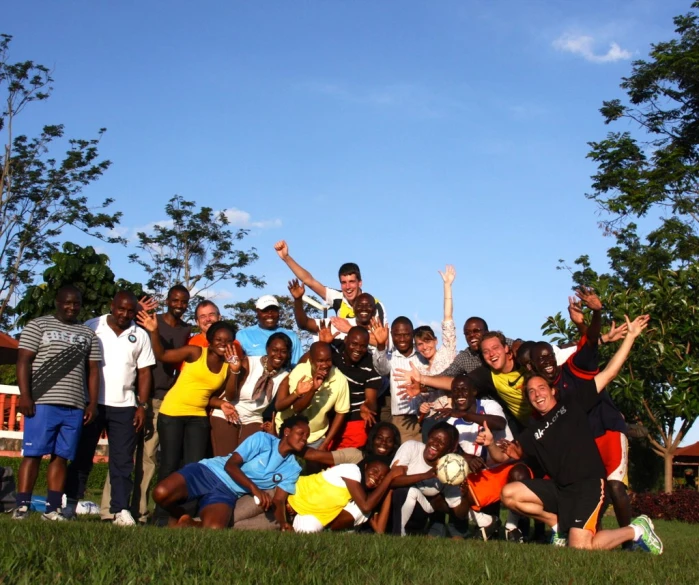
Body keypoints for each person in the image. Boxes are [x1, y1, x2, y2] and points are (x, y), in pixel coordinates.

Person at [482, 315, 663, 553]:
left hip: (588, 488)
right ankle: (558, 526)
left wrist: (629, 337)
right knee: (509, 494)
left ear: (553, 391)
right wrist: (491, 443)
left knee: (580, 549)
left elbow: (609, 373)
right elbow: (505, 456)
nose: (537, 394)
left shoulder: (572, 405)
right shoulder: (532, 430)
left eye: (541, 389)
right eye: (531, 392)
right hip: (560, 490)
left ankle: (637, 529)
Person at [137, 311, 241, 522]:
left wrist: (235, 370)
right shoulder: (195, 352)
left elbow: (229, 394)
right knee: (169, 463)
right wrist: (154, 331)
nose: (223, 344)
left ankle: (187, 514)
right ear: (210, 340)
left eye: (228, 341)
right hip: (172, 412)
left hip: (197, 417)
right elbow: (163, 355)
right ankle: (162, 516)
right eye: (218, 340)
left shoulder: (228, 366)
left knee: (194, 467)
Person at [64, 291, 155, 526]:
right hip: (90, 404)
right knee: (82, 456)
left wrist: (142, 406)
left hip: (125, 406)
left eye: (130, 311)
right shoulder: (92, 326)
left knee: (122, 461)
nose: (125, 315)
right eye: (121, 309)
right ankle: (70, 504)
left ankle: (120, 510)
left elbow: (144, 372)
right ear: (111, 306)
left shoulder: (140, 335)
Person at [13, 285, 102, 521]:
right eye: (67, 302)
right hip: (42, 402)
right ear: (57, 302)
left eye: (76, 303)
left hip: (74, 405)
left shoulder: (88, 334)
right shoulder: (38, 325)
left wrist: (92, 403)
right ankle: (22, 506)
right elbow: (23, 361)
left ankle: (52, 509)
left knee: (61, 456)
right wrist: (25, 395)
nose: (72, 307)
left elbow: (93, 370)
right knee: (32, 454)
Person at [104, 284, 191, 524]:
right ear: (167, 300)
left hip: (165, 398)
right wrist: (138, 309)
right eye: (175, 300)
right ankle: (109, 509)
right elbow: (123, 327)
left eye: (184, 302)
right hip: (137, 397)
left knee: (149, 457)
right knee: (123, 454)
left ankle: (137, 511)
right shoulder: (148, 321)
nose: (179, 305)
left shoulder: (186, 331)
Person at [152, 415, 310, 529]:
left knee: (214, 529)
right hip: (208, 471)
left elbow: (279, 500)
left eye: (307, 437)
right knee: (160, 493)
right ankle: (180, 515)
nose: (304, 439)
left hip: (227, 491)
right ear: (287, 431)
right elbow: (231, 465)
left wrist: (284, 524)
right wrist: (254, 489)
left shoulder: (293, 468)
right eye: (301, 433)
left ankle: (191, 523)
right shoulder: (263, 439)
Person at [209, 332, 293, 455]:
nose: (278, 355)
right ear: (267, 349)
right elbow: (230, 396)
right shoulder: (250, 362)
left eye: (283, 351)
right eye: (274, 350)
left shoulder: (284, 376)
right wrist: (235, 371)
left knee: (245, 458)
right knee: (225, 458)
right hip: (229, 410)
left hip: (253, 418)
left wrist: (297, 393)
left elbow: (279, 404)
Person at [388, 422, 473, 536]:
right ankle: (396, 530)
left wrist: (465, 496)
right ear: (428, 437)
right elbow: (392, 482)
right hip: (392, 506)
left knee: (411, 492)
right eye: (433, 438)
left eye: (442, 442)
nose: (435, 444)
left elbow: (459, 513)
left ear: (449, 450)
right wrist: (425, 475)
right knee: (403, 491)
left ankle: (402, 533)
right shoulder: (411, 447)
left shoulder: (449, 470)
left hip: (419, 513)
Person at [274, 240, 386, 323]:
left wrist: (349, 329)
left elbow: (383, 341)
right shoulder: (337, 297)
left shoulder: (375, 304)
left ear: (360, 283)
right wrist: (286, 257)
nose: (348, 287)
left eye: (351, 281)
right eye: (343, 282)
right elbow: (309, 281)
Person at [286, 457, 406, 533]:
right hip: (291, 496)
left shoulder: (370, 497)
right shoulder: (351, 470)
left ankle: (324, 531)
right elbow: (365, 506)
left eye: (382, 479)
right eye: (374, 471)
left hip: (313, 516)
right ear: (365, 467)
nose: (376, 477)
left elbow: (379, 531)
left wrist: (389, 487)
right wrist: (390, 477)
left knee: (307, 535)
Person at [317, 323, 383, 449]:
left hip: (354, 416)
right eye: (354, 344)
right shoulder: (333, 347)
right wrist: (323, 345)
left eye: (363, 346)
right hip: (327, 412)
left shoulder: (370, 365)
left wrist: (367, 406)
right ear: (346, 340)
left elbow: (371, 399)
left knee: (348, 459)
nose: (358, 349)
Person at [274, 342, 350, 450]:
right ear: (311, 360)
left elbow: (341, 412)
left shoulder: (340, 379)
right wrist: (312, 390)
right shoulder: (300, 371)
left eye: (328, 360)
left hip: (315, 437)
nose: (325, 365)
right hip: (288, 433)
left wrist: (325, 443)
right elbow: (297, 408)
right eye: (320, 361)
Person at [372, 317, 429, 443]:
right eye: (397, 335)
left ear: (412, 334)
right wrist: (381, 345)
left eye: (406, 335)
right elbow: (381, 370)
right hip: (402, 421)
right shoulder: (389, 358)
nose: (402, 339)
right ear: (391, 335)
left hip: (428, 416)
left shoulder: (424, 356)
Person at [412, 265, 457, 414]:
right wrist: (421, 406)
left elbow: (448, 317)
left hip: (452, 416)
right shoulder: (418, 368)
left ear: (436, 341)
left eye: (428, 341)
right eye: (420, 344)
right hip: (432, 420)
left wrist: (447, 286)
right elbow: (419, 399)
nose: (425, 347)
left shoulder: (447, 353)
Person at [235, 295, 303, 366]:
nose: (270, 314)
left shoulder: (292, 336)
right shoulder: (243, 335)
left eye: (273, 310)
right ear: (257, 312)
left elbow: (298, 366)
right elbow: (236, 365)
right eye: (265, 311)